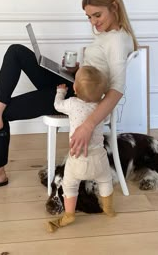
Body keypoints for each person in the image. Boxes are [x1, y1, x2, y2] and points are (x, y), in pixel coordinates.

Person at [0, 0, 137, 189]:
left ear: (114, 6)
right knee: (16, 52)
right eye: (89, 17)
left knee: (4, 111)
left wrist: (88, 125)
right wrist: (77, 71)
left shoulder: (118, 42)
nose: (93, 22)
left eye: (97, 15)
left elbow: (116, 92)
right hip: (75, 85)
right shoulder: (108, 35)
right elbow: (101, 72)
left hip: (80, 99)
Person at [47, 66, 115, 233]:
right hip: (99, 158)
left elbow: (57, 105)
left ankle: (69, 215)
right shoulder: (100, 108)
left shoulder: (71, 104)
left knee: (69, 185)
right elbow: (107, 116)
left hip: (77, 159)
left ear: (75, 88)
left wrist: (60, 92)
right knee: (105, 181)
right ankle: (108, 209)